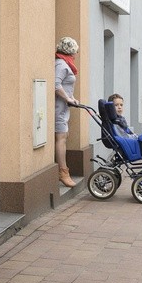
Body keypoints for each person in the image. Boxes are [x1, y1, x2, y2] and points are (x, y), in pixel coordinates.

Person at [55, 36, 79, 187]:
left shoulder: (65, 64)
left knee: (64, 137)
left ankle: (64, 171)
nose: (76, 54)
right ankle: (63, 172)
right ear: (70, 51)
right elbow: (56, 84)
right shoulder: (61, 64)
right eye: (75, 51)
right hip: (59, 108)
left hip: (63, 108)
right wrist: (68, 99)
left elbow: (65, 86)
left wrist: (72, 98)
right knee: (61, 139)